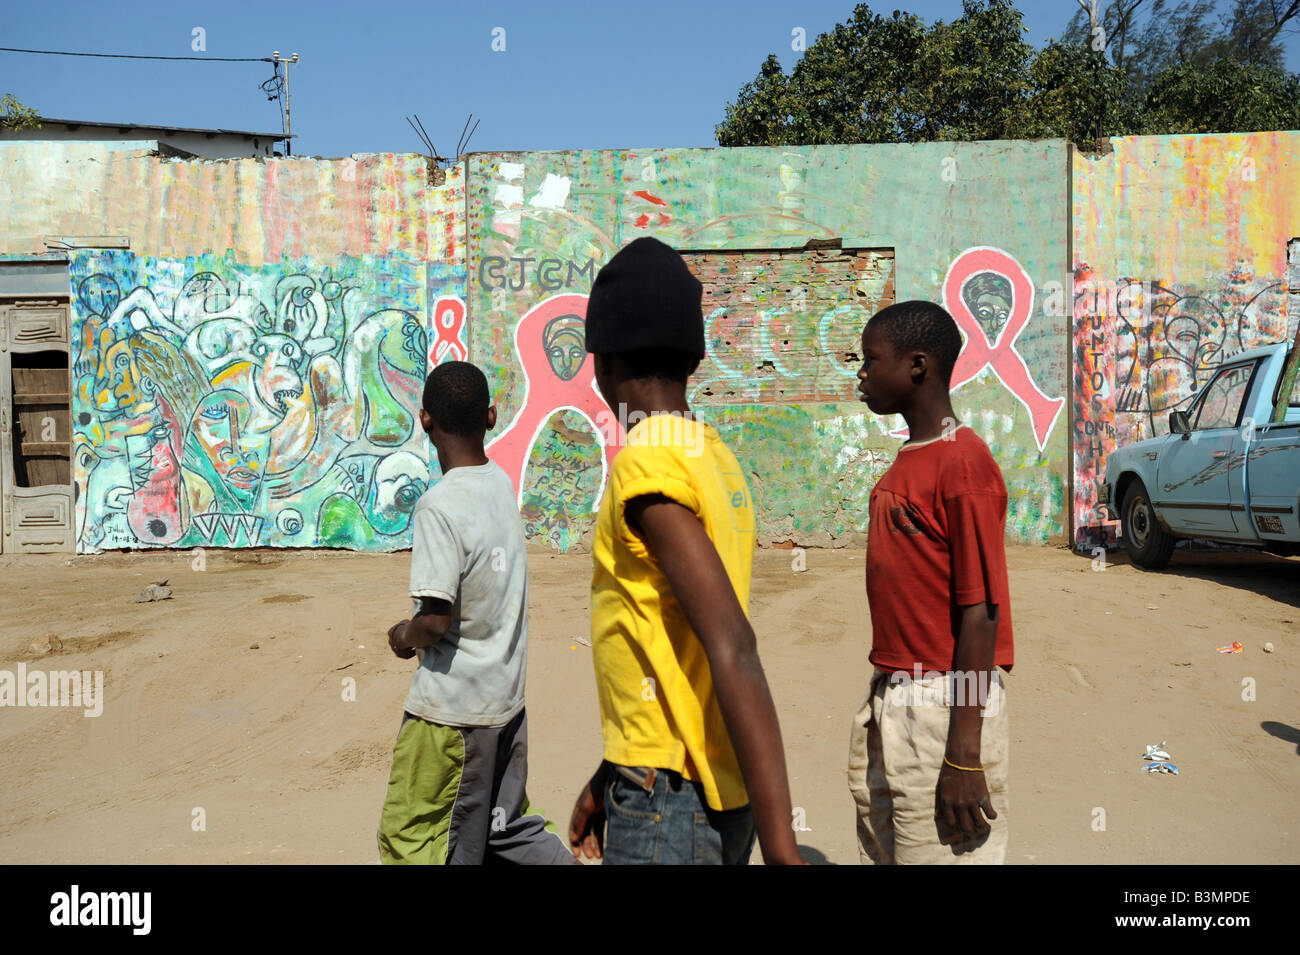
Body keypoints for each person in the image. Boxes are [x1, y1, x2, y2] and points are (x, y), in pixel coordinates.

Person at [567, 237, 805, 866]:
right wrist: (612, 768)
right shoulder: (711, 456)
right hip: (691, 776)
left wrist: (783, 851)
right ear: (693, 361)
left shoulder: (646, 463)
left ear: (605, 364)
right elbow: (673, 649)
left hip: (670, 804)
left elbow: (732, 644)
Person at [378, 360, 571, 865]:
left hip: (452, 716)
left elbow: (435, 620)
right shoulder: (500, 485)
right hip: (506, 704)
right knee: (502, 825)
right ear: (490, 417)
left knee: (416, 837)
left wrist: (401, 636)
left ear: (424, 420)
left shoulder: (438, 507)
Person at [848, 300, 1014, 865]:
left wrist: (964, 755)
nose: (861, 374)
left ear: (917, 365)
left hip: (944, 706)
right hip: (896, 692)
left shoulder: (962, 463)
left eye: (871, 360)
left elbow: (982, 613)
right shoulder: (912, 459)